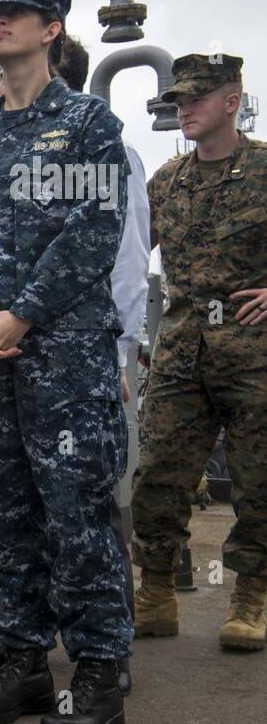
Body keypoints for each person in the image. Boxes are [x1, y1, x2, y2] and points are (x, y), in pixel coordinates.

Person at [0, 0, 132, 724]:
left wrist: (22, 314)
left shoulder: (86, 124)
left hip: (65, 358)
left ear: (52, 28)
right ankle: (22, 661)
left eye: (12, 16)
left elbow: (94, 229)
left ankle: (99, 674)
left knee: (76, 515)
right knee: (1, 512)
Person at [131, 53, 267, 651]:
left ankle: (250, 595)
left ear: (232, 101)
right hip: (182, 345)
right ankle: (156, 591)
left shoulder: (265, 170)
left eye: (196, 99)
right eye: (178, 101)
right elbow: (133, 253)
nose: (183, 109)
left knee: (258, 477)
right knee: (159, 472)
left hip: (253, 348)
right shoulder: (167, 180)